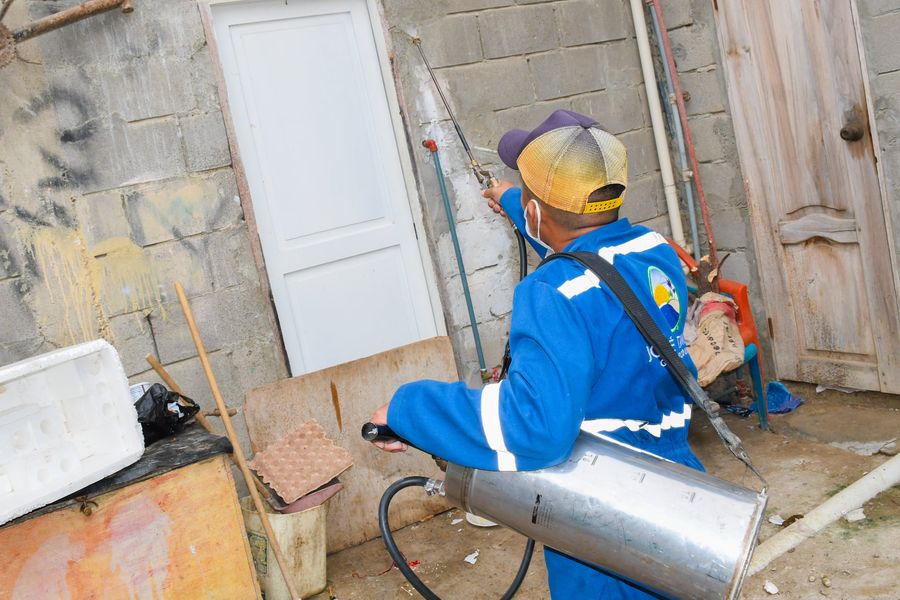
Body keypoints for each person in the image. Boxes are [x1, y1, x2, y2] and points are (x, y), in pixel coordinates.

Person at [370, 109, 704, 599]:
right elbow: (590, 253)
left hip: (603, 515)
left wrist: (408, 408)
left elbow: (534, 425)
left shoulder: (551, 293)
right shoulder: (654, 251)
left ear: (538, 212)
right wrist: (512, 200)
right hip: (677, 486)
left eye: (527, 194)